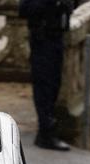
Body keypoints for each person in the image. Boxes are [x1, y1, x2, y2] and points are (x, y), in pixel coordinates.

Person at [20, 0, 75, 151]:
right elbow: (24, 9)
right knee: (44, 86)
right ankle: (45, 132)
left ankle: (47, 131)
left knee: (54, 85)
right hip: (42, 39)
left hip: (56, 38)